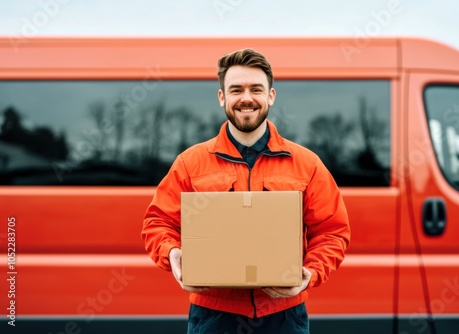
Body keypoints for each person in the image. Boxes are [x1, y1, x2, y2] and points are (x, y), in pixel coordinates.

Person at [142, 48, 351, 333]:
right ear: (222, 98)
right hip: (214, 315)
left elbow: (332, 231)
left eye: (256, 89)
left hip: (284, 316)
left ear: (271, 96)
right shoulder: (190, 163)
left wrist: (310, 273)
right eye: (236, 89)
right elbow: (158, 223)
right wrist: (172, 254)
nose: (246, 98)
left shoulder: (306, 164)